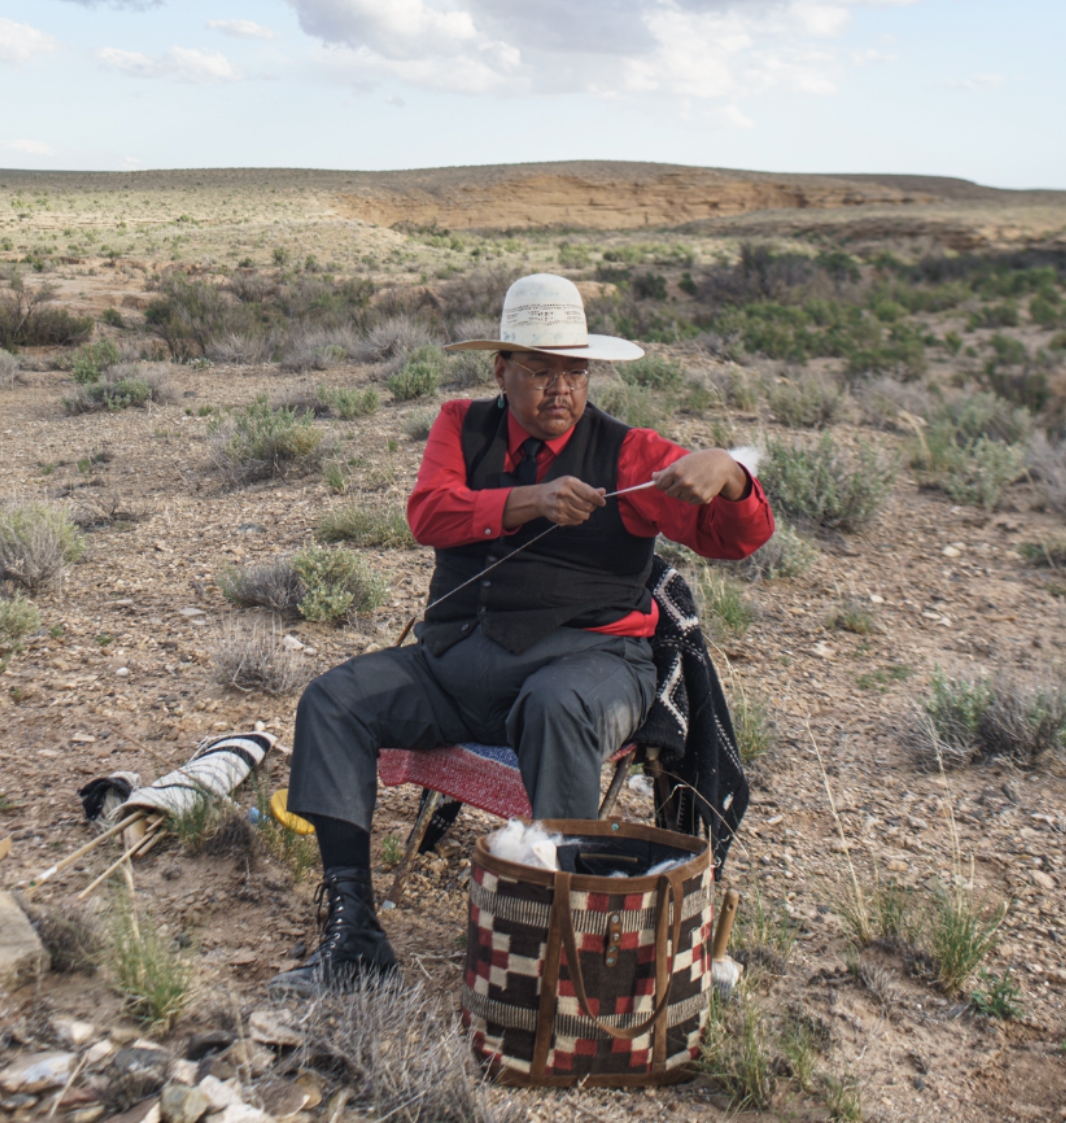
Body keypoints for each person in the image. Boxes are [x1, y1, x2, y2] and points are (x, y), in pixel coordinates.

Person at [272, 273, 774, 995]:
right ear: (500, 370)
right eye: (540, 370)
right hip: (456, 664)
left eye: (575, 370)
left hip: (596, 662)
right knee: (333, 700)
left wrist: (729, 473)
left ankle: (572, 952)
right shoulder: (459, 426)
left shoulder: (629, 453)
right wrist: (528, 502)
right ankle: (353, 935)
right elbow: (428, 515)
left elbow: (737, 540)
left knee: (555, 705)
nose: (560, 389)